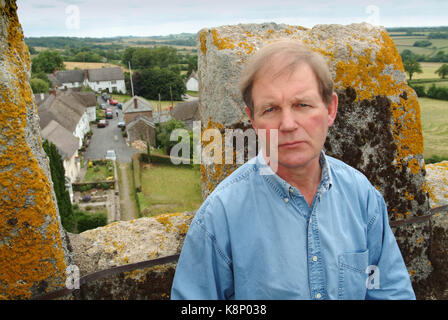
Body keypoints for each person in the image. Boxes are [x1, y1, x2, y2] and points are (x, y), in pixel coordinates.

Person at [170, 40, 416, 300]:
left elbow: (386, 290)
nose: (287, 124)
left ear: (330, 109)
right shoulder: (220, 216)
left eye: (302, 105)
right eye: (270, 109)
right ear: (253, 119)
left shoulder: (362, 197)